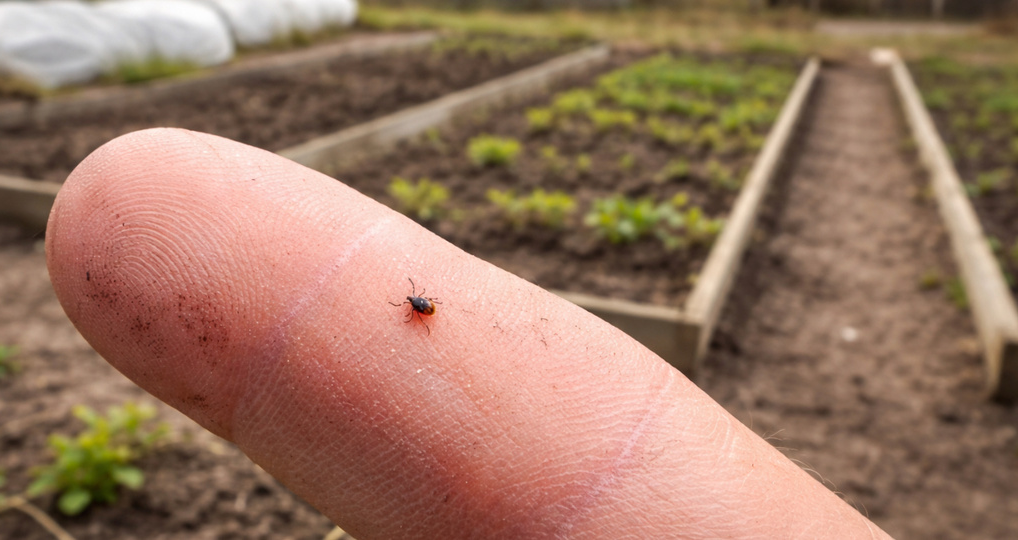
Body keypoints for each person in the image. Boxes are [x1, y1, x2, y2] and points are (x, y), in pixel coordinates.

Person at [46, 128, 892, 539]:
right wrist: (419, 307)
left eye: (417, 305)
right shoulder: (418, 309)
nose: (415, 308)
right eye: (417, 305)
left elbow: (415, 307)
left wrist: (418, 307)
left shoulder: (417, 309)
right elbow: (416, 306)